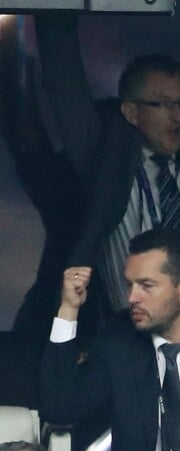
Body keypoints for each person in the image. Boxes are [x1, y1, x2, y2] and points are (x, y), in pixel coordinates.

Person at [41, 227, 180, 451]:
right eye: (129, 283)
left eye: (146, 286)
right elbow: (61, 407)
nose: (131, 296)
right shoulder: (119, 340)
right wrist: (68, 309)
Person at [36, 13, 180, 323]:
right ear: (131, 112)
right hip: (128, 340)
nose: (177, 116)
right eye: (164, 104)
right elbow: (63, 80)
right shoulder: (106, 159)